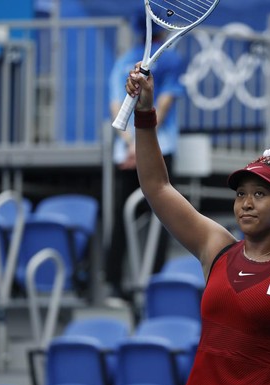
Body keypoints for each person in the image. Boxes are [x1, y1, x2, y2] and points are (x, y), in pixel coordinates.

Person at [125, 65, 270, 385]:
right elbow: (157, 187)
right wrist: (144, 113)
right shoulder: (217, 248)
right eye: (241, 194)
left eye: (260, 194)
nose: (247, 202)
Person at [106, 16, 185, 299]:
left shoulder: (123, 62)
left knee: (126, 217)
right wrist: (141, 148)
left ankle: (117, 285)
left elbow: (118, 107)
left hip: (131, 153)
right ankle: (147, 285)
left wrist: (130, 146)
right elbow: (160, 108)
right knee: (165, 217)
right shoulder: (172, 61)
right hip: (157, 155)